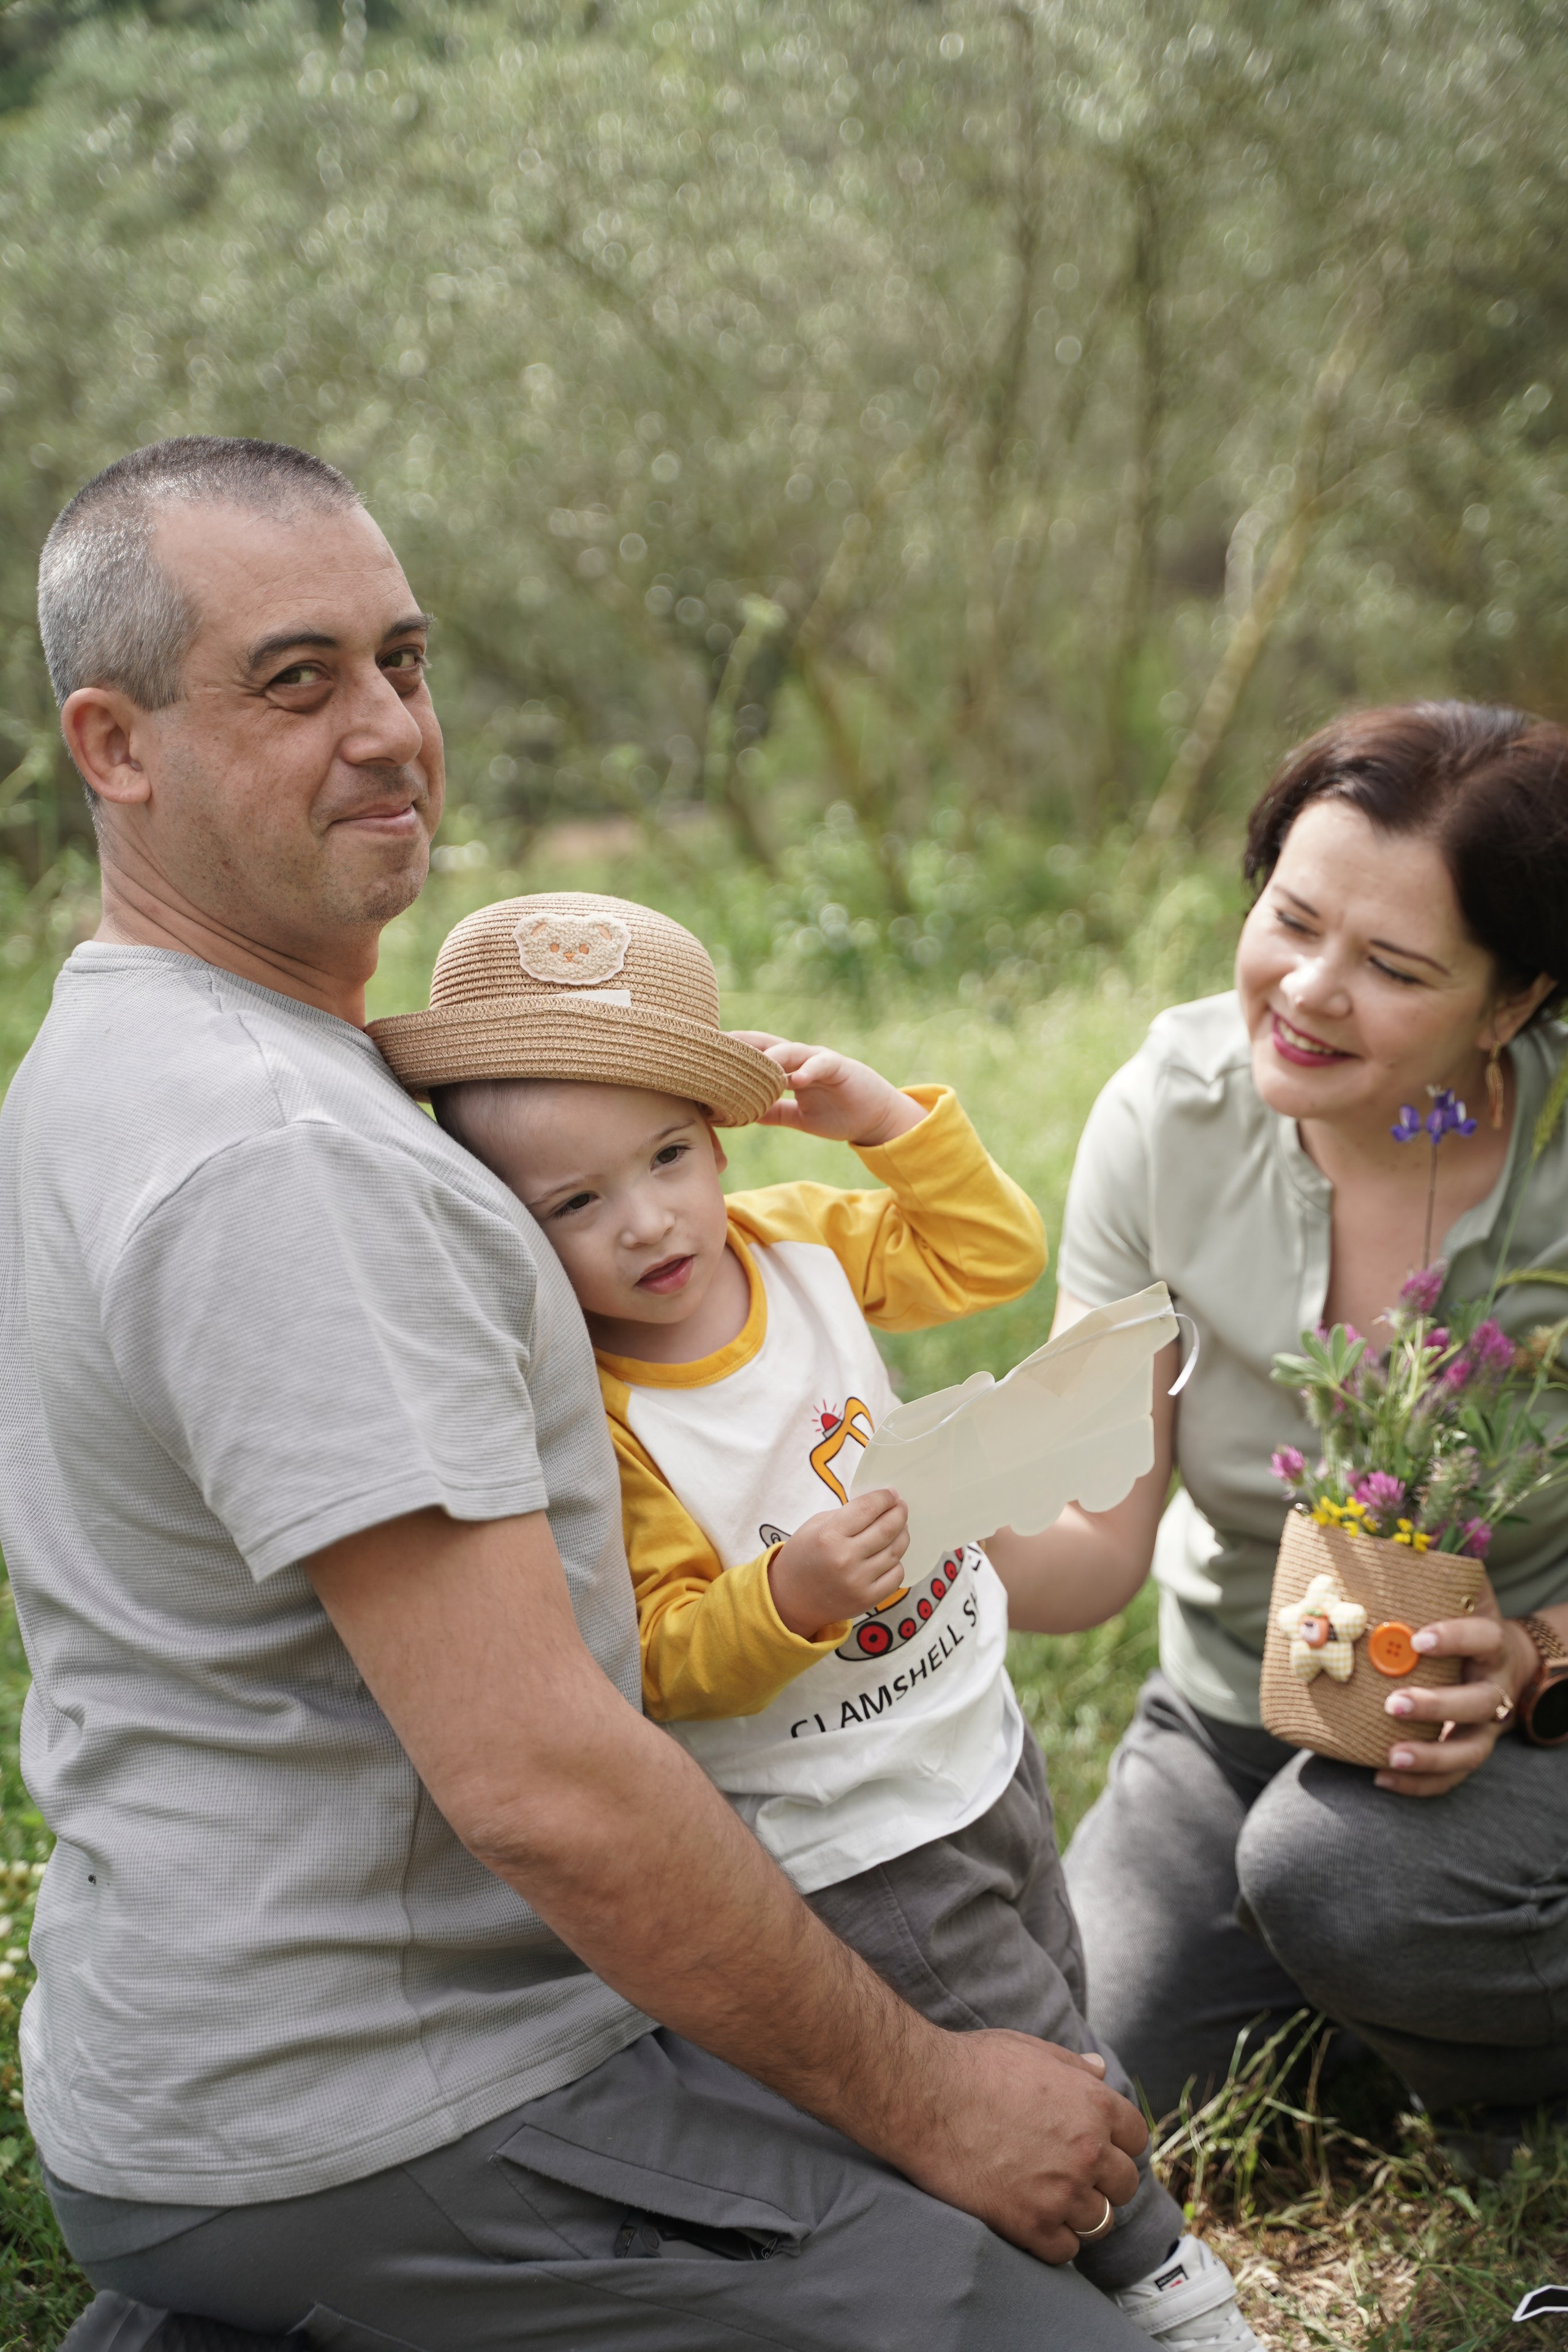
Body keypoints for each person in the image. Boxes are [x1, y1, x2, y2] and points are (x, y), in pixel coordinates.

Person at [0, 435, 1158, 2350]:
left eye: (405, 659)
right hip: (398, 2094)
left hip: (234, 2064)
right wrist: (938, 2100)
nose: (390, 731)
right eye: (299, 682)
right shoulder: (280, 1156)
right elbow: (544, 1783)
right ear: (113, 747)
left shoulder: (145, 1051)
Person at [371, 890, 1251, 2342]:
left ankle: (1030, 2239)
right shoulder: (600, 1405)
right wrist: (789, 1596)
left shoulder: (797, 1243)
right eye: (571, 1206)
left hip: (970, 1733)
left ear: (721, 1141)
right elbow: (656, 1654)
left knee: (1050, 1980)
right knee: (1011, 2041)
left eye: (665, 1158)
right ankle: (1159, 2279)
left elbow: (986, 1255)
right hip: (843, 1818)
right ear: (506, 1234)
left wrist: (877, 1119)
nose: (646, 1221)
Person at [990, 703, 1568, 2156]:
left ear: (1510, 1003)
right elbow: (1087, 1546)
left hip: (1534, 1727)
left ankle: (1478, 2061)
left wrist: (1530, 1660)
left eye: (1390, 967)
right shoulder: (1165, 1121)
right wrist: (921, 1514)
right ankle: (1408, 1991)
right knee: (1101, 2084)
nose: (1304, 993)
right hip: (1241, 1720)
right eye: (1288, 919)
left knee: (1331, 1875)